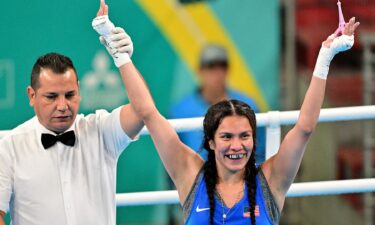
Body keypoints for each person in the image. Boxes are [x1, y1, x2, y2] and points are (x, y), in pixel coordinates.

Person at [113, 9, 360, 225]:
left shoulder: (272, 179)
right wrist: (121, 57)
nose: (236, 146)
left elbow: (304, 127)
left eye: (244, 136)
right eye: (226, 137)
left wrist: (324, 59)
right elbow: (147, 112)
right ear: (210, 142)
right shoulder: (189, 173)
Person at [0, 1, 142, 224]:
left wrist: (122, 58)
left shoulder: (100, 130)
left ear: (79, 90)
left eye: (69, 94)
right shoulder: (10, 147)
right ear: (31, 96)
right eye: (51, 96)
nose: (63, 105)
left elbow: (142, 111)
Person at [169, 44, 265, 162]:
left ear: (228, 70)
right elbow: (174, 160)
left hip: (241, 176)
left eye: (222, 66)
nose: (217, 73)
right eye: (211, 67)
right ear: (199, 71)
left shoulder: (248, 106)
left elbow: (259, 152)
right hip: (196, 178)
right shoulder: (180, 111)